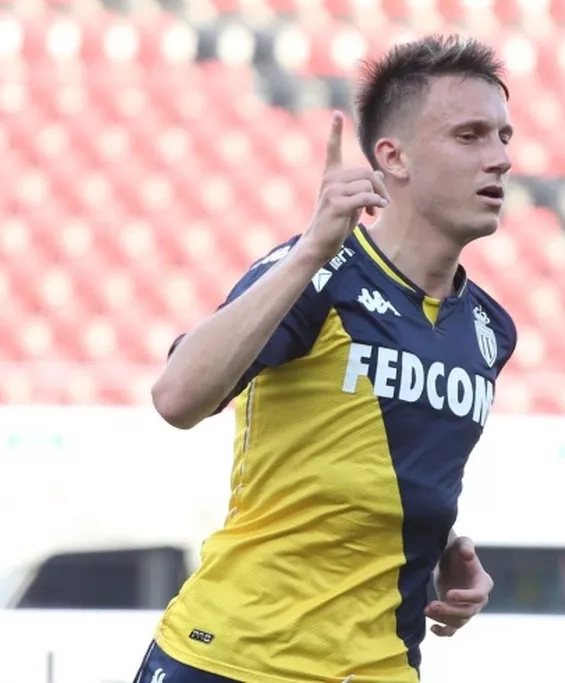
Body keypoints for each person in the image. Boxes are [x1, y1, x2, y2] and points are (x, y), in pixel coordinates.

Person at [132, 33, 517, 683]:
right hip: (236, 657)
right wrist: (314, 247)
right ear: (393, 158)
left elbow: (374, 468)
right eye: (470, 136)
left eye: (503, 136)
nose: (500, 158)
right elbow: (176, 398)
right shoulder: (319, 272)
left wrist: (442, 549)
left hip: (380, 664)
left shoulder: (488, 328)